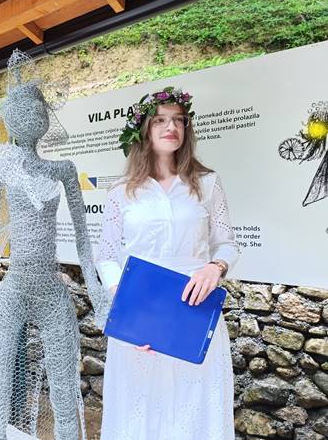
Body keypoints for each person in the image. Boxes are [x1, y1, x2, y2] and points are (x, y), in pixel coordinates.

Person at [96, 87, 239, 440]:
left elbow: (227, 244)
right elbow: (107, 254)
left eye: (178, 120)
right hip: (141, 310)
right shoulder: (121, 190)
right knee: (140, 405)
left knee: (194, 404)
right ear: (143, 130)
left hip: (195, 308)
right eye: (160, 120)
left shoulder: (207, 184)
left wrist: (215, 268)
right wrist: (128, 310)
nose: (170, 127)